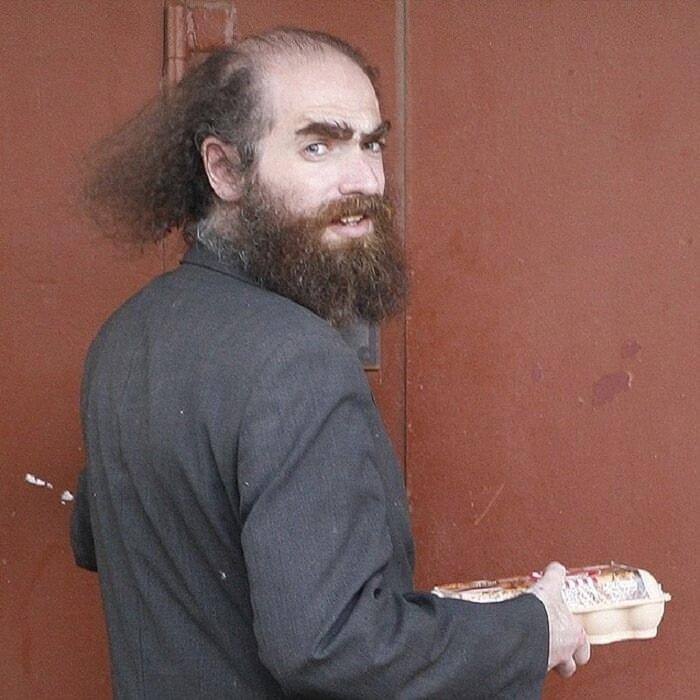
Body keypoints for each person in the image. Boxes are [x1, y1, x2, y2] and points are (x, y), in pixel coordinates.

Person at [71, 27, 590, 699]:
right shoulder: (297, 359)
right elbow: (331, 644)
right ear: (224, 170)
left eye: (372, 144)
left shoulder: (122, 337)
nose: (366, 180)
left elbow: (107, 539)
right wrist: (532, 630)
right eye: (318, 145)